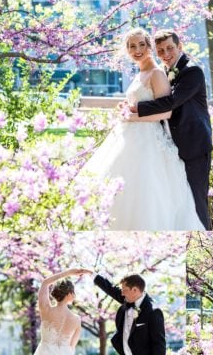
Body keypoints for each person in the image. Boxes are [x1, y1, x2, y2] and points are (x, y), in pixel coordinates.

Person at [80, 28, 205, 230]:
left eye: (141, 45)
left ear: (148, 47)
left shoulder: (157, 73)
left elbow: (166, 111)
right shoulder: (142, 73)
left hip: (151, 140)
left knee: (147, 190)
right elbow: (140, 101)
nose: (137, 49)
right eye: (132, 46)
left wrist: (133, 115)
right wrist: (126, 108)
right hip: (130, 138)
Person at [127, 29, 212, 229]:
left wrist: (136, 109)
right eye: (161, 50)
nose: (166, 54)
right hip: (172, 145)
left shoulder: (192, 71)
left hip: (194, 146)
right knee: (182, 201)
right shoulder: (165, 71)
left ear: (179, 46)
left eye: (170, 48)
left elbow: (171, 102)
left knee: (197, 202)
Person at [26, 268, 106, 355]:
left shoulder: (46, 309)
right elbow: (71, 346)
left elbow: (45, 283)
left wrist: (69, 273)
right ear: (69, 294)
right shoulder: (76, 319)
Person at [91, 270, 166, 355]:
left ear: (135, 290)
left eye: (125, 290)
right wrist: (93, 275)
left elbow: (159, 345)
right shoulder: (128, 300)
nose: (122, 293)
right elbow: (111, 290)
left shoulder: (153, 311)